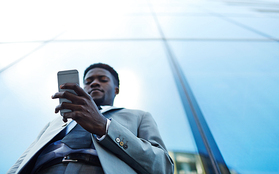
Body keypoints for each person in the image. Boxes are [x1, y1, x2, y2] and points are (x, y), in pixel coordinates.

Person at [7, 63, 174, 174]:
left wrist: (105, 127)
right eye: (88, 81)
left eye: (103, 80)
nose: (94, 83)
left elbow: (163, 166)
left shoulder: (139, 116)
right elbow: (21, 162)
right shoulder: (55, 122)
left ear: (116, 90)